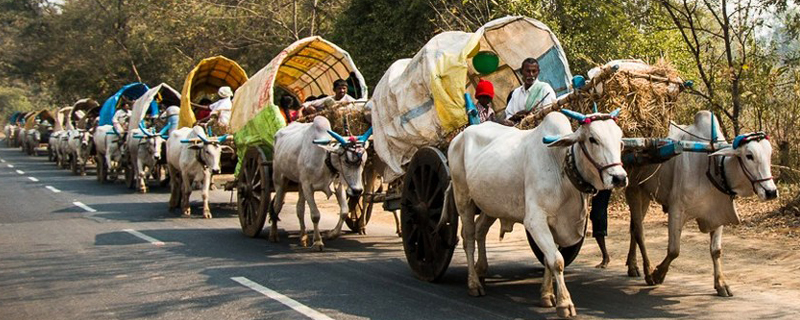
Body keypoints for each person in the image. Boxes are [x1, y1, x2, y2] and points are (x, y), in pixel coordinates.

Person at [504, 58, 557, 122]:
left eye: (534, 71)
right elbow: (508, 115)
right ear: (521, 72)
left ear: (538, 72)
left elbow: (550, 114)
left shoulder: (545, 89)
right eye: (528, 71)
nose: (531, 74)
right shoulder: (516, 93)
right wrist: (515, 117)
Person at [591, 190, 613, 268]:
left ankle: (605, 256)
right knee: (596, 215)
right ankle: (605, 256)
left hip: (601, 187)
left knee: (598, 216)